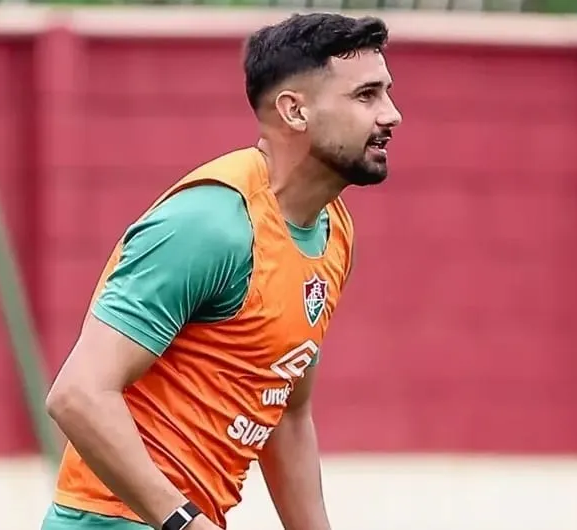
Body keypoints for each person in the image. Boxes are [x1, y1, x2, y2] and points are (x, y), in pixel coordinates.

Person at [41, 11, 402, 530]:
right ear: (294, 111)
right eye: (366, 95)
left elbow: (288, 413)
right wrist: (185, 523)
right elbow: (77, 396)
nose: (392, 114)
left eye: (386, 92)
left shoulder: (333, 231)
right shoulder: (212, 224)